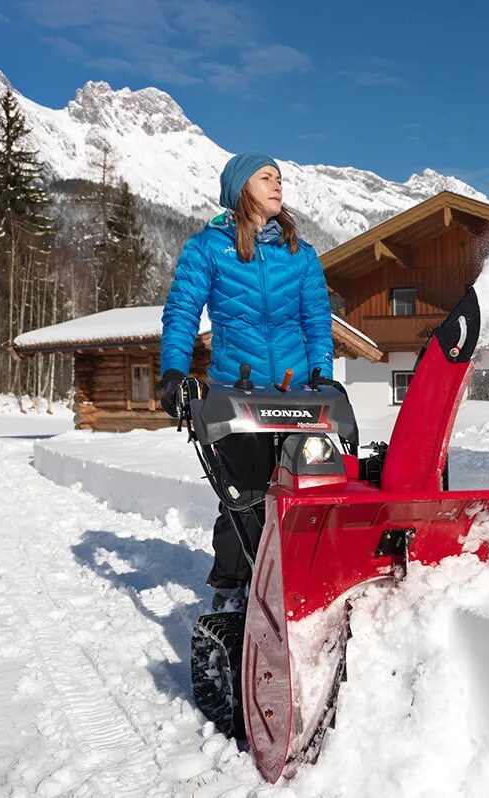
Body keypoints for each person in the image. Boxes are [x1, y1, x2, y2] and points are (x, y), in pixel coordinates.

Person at [158, 152, 334, 610]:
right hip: (237, 393)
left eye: (280, 177)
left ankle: (307, 579)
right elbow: (181, 314)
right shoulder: (208, 248)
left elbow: (316, 320)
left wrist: (323, 377)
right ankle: (233, 590)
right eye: (266, 177)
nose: (278, 184)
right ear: (241, 189)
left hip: (299, 396)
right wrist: (174, 372)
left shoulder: (300, 253)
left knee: (312, 486)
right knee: (246, 495)